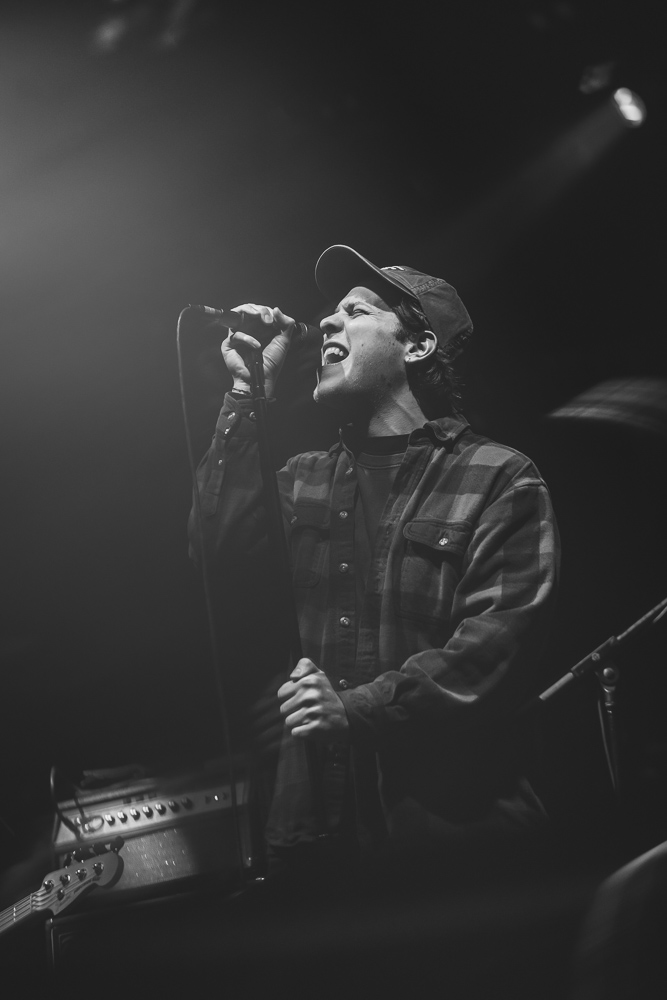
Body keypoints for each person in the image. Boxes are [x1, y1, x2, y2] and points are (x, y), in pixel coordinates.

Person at [188, 244, 559, 887]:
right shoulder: (302, 481)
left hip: (455, 846)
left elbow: (491, 650)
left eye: (354, 311)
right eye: (329, 313)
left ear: (416, 347)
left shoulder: (499, 477)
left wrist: (356, 709)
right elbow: (213, 548)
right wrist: (247, 394)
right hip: (315, 844)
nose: (327, 323)